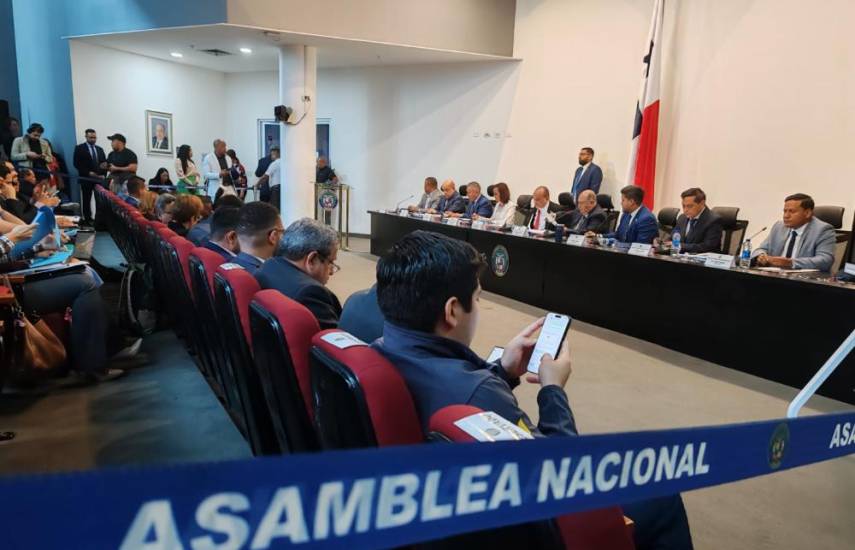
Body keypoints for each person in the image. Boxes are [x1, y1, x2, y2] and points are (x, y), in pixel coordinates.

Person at [374, 230, 694, 550]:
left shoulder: (378, 349)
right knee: (661, 494)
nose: (480, 307)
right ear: (453, 311)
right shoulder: (479, 393)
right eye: (479, 298)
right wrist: (552, 388)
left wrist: (503, 371)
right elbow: (562, 473)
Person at [256, 217, 342, 329]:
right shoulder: (312, 293)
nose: (331, 272)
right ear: (312, 259)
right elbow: (334, 340)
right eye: (331, 262)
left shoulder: (268, 266)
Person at [752, 193, 836, 272]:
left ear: (807, 213)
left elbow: (825, 260)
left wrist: (791, 263)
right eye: (785, 211)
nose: (786, 216)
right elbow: (761, 249)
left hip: (802, 280)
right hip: (775, 275)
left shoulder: (823, 230)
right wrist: (761, 256)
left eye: (791, 211)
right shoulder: (779, 226)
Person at [233, 201, 283, 274]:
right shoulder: (268, 277)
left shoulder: (229, 266)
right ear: (273, 236)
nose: (283, 236)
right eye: (282, 231)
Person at [669, 188, 723, 253]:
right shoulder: (682, 218)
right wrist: (663, 243)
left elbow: (708, 247)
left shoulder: (714, 220)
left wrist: (679, 245)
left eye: (690, 206)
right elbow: (673, 237)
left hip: (701, 261)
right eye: (683, 206)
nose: (685, 210)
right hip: (679, 259)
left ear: (702, 203)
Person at [72, 128, 107, 224]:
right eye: (91, 137)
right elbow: (76, 164)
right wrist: (88, 173)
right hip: (86, 178)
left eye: (94, 137)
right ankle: (87, 219)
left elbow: (104, 163)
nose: (93, 139)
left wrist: (103, 175)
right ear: (86, 137)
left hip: (99, 179)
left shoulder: (99, 149)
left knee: (100, 200)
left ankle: (99, 220)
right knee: (86, 200)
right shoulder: (80, 148)